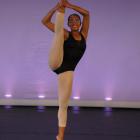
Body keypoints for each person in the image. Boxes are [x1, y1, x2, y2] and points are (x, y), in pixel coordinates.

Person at [41, 0, 89, 139]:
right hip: (56, 61)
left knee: (63, 104)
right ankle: (60, 11)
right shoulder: (66, 33)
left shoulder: (83, 35)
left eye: (76, 20)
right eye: (71, 20)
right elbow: (44, 21)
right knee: (59, 33)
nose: (74, 22)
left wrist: (69, 5)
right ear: (69, 24)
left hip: (67, 70)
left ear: (79, 24)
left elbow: (87, 14)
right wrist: (57, 8)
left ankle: (60, 136)